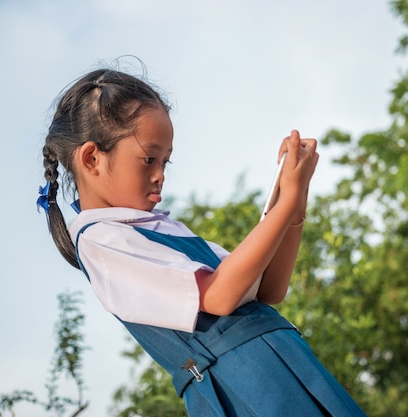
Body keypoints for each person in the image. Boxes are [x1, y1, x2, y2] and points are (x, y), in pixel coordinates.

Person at [37, 66, 368, 417]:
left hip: (282, 367)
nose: (160, 174)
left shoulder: (159, 228)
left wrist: (294, 198)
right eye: (149, 158)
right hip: (247, 387)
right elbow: (219, 295)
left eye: (166, 160)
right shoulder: (101, 241)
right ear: (92, 159)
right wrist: (285, 204)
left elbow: (269, 290)